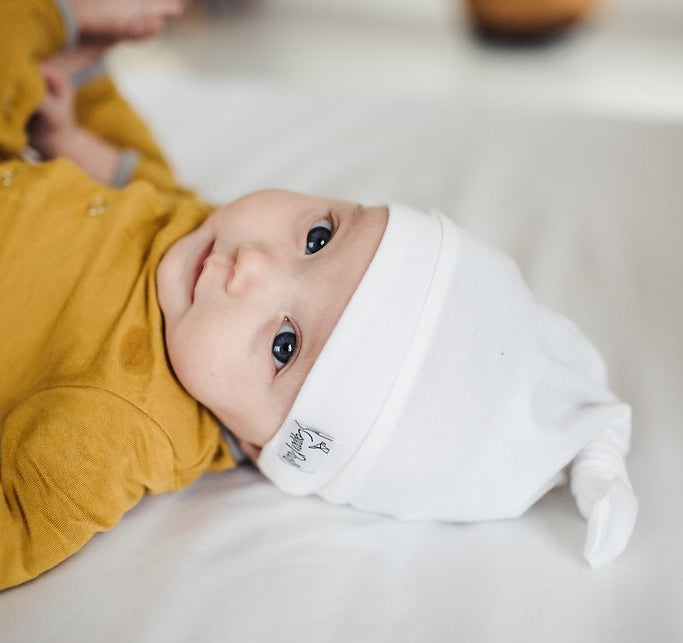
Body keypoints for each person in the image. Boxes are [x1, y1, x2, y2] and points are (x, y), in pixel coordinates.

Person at [0, 0, 637, 591]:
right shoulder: (198, 245)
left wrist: (60, 14)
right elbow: (141, 178)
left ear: (260, 447)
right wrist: (76, 89)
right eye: (316, 238)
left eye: (284, 345)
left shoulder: (111, 433)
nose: (251, 266)